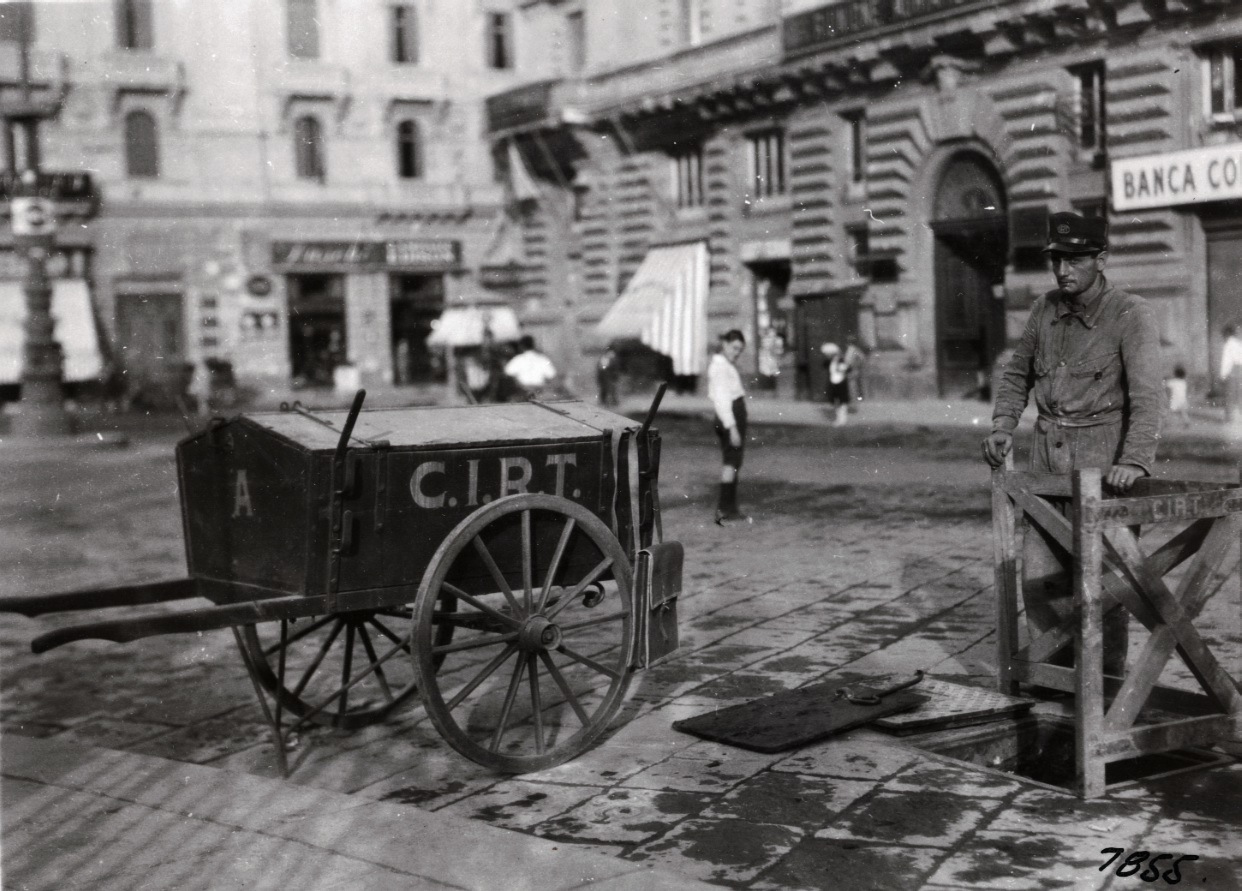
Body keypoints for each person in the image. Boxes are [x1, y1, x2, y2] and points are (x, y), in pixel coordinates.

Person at [982, 211, 1163, 679]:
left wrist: (1136, 460)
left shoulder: (1131, 313)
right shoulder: (1044, 309)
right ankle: (1053, 686)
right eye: (1057, 259)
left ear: (1101, 259)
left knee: (1106, 587)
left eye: (1076, 259)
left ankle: (1105, 688)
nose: (1064, 270)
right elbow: (1017, 372)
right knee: (1040, 583)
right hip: (1046, 461)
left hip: (1102, 464)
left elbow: (1147, 397)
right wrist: (1004, 424)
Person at [708, 329, 750, 526]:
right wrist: (732, 426)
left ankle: (730, 508)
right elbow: (722, 400)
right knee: (731, 462)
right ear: (724, 344)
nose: (736, 353)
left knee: (733, 462)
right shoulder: (720, 367)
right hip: (729, 416)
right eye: (734, 348)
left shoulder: (725, 365)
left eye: (739, 350)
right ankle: (724, 509)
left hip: (733, 415)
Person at [504, 335, 557, 400]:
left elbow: (507, 373)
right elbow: (551, 375)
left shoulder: (517, 359)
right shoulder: (542, 359)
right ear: (533, 345)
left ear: (521, 346)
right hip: (539, 392)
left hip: (523, 392)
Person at [821, 342, 850, 426]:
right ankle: (838, 419)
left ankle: (842, 419)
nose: (827, 355)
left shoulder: (841, 360)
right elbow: (824, 365)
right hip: (834, 382)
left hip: (841, 382)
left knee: (842, 401)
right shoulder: (831, 361)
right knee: (836, 401)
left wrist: (841, 368)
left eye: (828, 354)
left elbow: (846, 369)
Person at [1218, 324, 1242, 425]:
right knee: (1240, 395)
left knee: (1229, 395)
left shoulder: (1228, 344)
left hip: (1232, 371)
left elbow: (1226, 361)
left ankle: (1229, 418)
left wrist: (1223, 375)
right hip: (1240, 370)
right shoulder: (1238, 343)